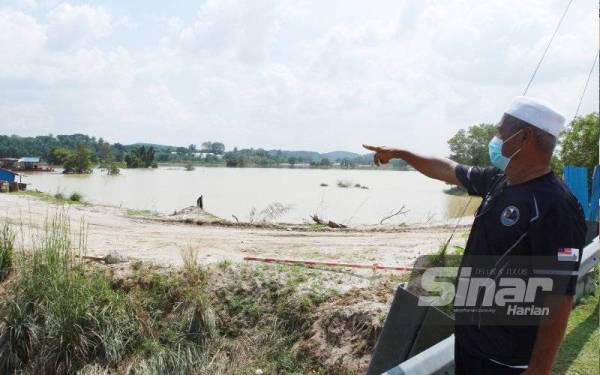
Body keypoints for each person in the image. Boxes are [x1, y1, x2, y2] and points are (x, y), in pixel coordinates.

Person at [363, 96, 586, 375]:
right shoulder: (498, 180)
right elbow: (446, 168)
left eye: (500, 131)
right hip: (470, 345)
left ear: (524, 137)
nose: (495, 138)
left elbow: (560, 294)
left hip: (508, 360)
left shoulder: (556, 206)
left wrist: (540, 369)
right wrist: (400, 153)